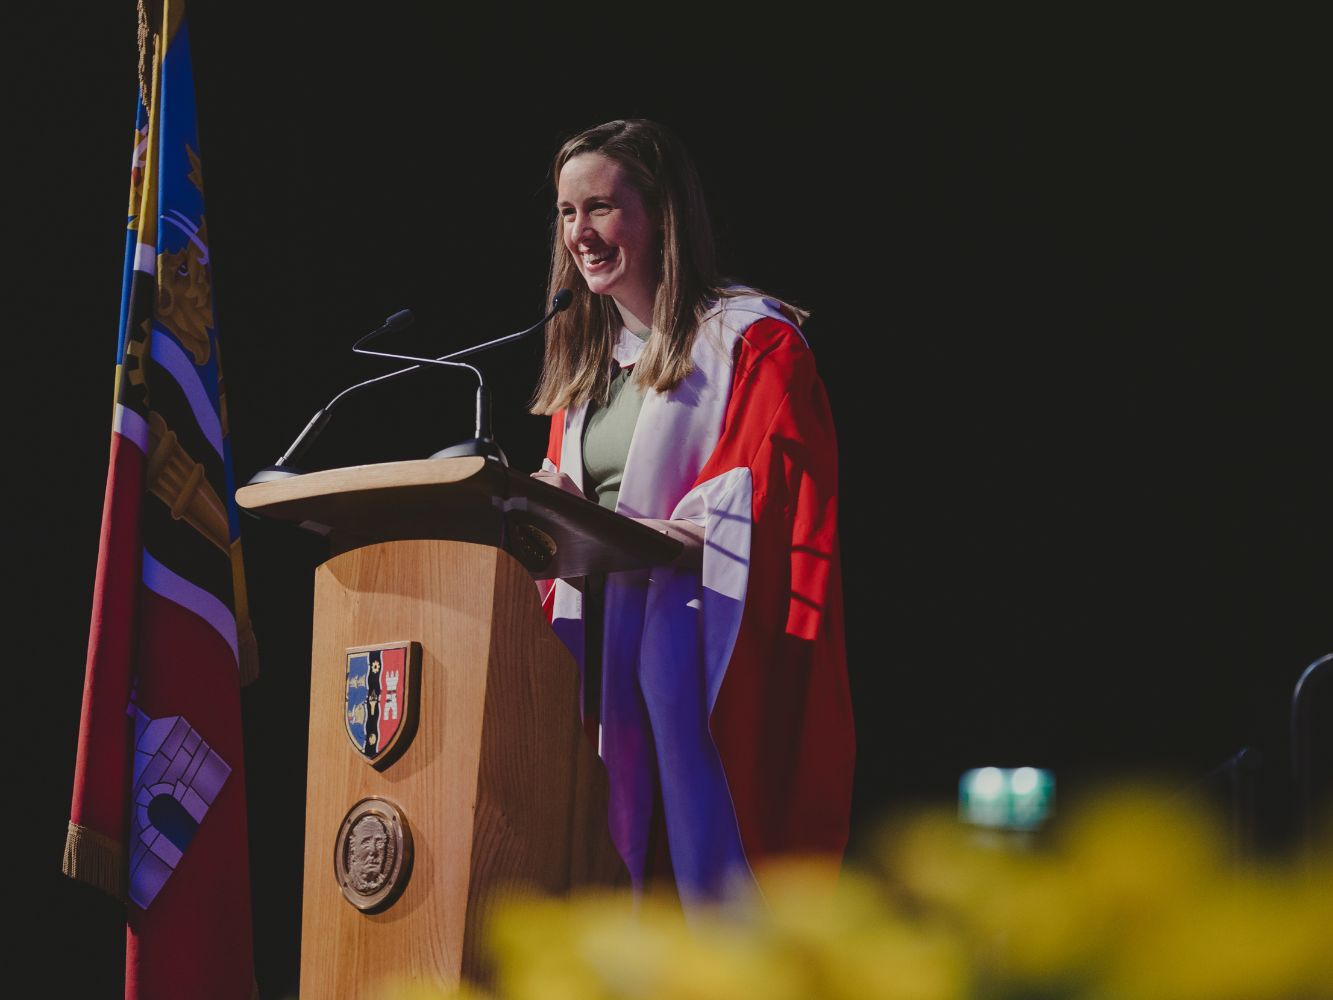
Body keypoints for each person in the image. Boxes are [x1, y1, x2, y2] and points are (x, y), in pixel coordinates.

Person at [530, 119, 854, 908]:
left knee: (689, 894)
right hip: (594, 659)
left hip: (696, 669)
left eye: (601, 207)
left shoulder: (752, 344)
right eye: (567, 213)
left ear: (662, 215)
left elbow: (771, 521)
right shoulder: (585, 363)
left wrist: (623, 534)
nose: (580, 233)